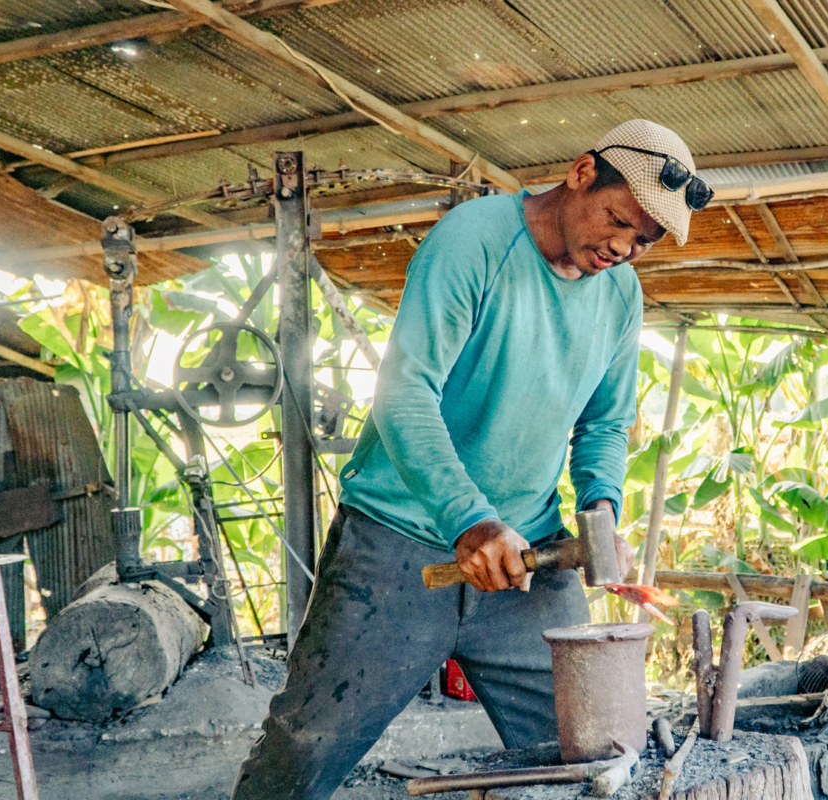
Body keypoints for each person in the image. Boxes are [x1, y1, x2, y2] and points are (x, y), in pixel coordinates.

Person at [231, 119, 712, 799]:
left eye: (643, 240)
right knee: (304, 753)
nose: (623, 247)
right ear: (580, 173)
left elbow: (604, 422)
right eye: (617, 219)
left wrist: (600, 504)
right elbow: (404, 397)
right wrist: (470, 519)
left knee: (589, 756)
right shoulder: (474, 243)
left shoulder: (619, 296)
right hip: (397, 547)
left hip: (530, 560)